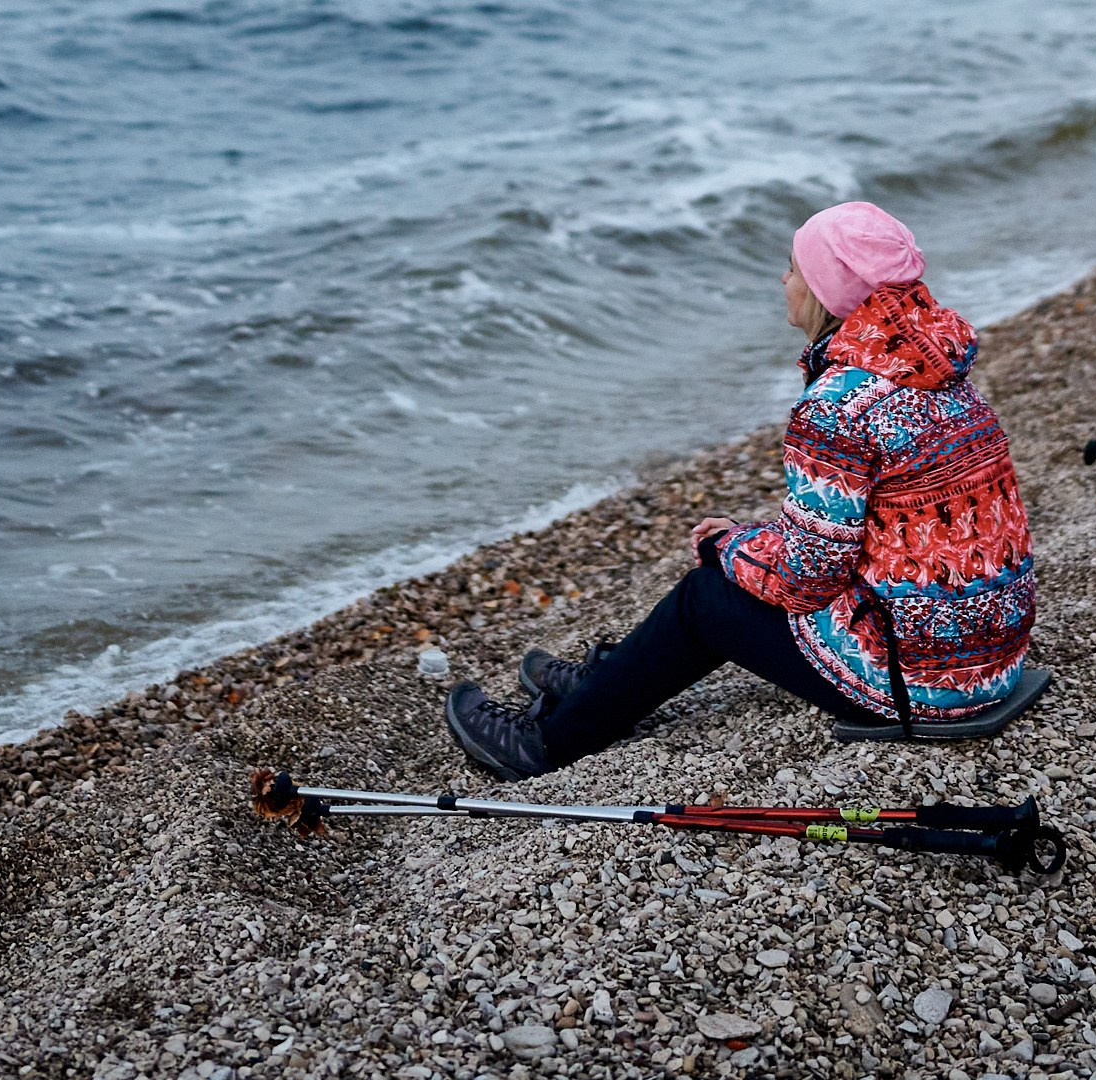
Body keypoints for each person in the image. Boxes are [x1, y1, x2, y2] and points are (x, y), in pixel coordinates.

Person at [443, 199, 1038, 779]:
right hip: (987, 657)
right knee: (739, 560)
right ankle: (611, 679)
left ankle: (546, 742)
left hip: (922, 682)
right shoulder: (938, 373)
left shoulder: (840, 406)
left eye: (795, 269)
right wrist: (750, 541)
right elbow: (873, 530)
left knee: (707, 598)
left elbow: (809, 580)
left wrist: (728, 549)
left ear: (828, 291)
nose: (784, 280)